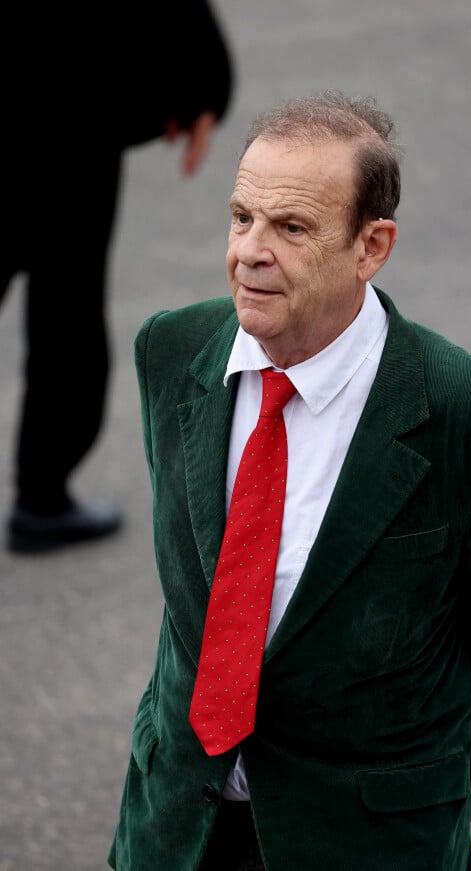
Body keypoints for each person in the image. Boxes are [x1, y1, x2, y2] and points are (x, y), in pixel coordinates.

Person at [108, 91, 471, 871]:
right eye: (241, 216)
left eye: (290, 227)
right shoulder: (171, 352)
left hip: (366, 841)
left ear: (371, 246)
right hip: (176, 827)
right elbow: (201, 605)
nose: (249, 250)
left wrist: (431, 806)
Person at [0, 3, 234, 552]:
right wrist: (200, 77)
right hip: (68, 90)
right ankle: (43, 494)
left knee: (67, 297)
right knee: (67, 296)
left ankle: (44, 493)